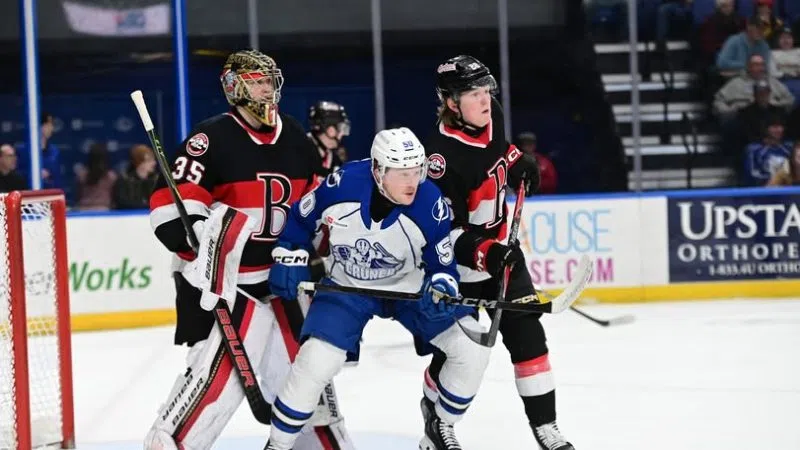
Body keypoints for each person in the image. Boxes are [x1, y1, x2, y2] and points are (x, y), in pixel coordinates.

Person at [145, 49, 353, 450]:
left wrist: (334, 243)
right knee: (212, 391)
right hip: (225, 285)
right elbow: (170, 208)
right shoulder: (211, 138)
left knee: (308, 388)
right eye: (257, 82)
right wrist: (197, 237)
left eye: (269, 81)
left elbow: (316, 208)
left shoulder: (296, 137)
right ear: (234, 88)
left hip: (283, 283)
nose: (266, 90)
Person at [264, 128, 491, 450]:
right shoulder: (341, 185)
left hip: (409, 290)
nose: (412, 182)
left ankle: (439, 426)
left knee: (472, 348)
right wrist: (289, 253)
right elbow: (300, 220)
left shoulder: (431, 202)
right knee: (315, 361)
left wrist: (442, 285)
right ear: (378, 170)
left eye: (417, 171)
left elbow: (442, 264)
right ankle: (277, 445)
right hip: (348, 288)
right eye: (402, 173)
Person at [421, 55, 575, 450]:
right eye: (473, 94)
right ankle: (436, 420)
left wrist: (517, 160)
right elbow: (444, 232)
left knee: (529, 338)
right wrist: (486, 254)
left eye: (486, 90)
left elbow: (497, 151)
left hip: (503, 253)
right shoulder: (440, 160)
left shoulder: (493, 114)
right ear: (451, 103)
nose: (485, 99)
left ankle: (546, 427)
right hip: (460, 270)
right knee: (460, 355)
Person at [308, 100, 350, 175]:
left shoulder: (334, 158)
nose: (342, 133)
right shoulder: (301, 151)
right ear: (330, 129)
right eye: (341, 127)